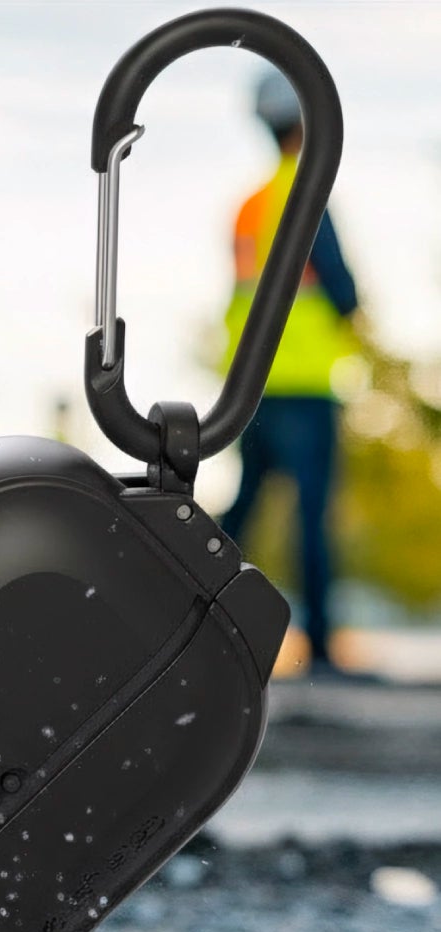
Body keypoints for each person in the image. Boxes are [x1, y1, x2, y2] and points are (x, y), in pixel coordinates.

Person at [219, 70, 359, 676]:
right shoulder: (307, 190)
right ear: (306, 120)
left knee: (241, 515)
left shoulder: (250, 205)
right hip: (303, 382)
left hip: (253, 384)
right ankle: (321, 647)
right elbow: (340, 284)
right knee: (312, 517)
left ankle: (179, 605)